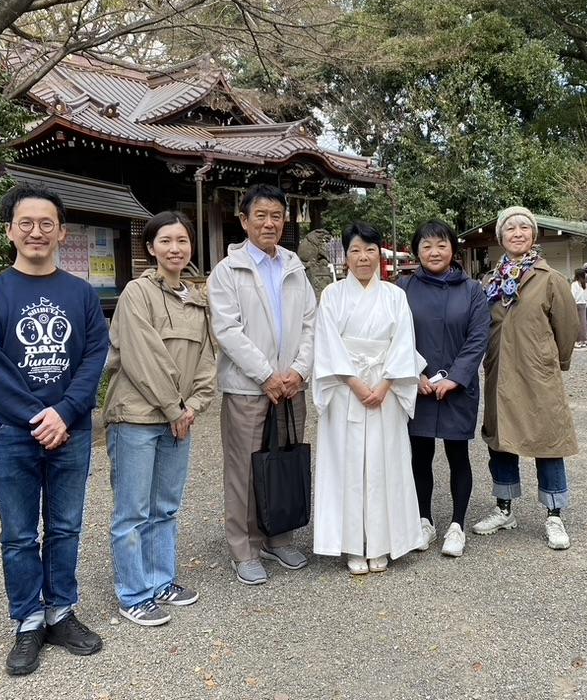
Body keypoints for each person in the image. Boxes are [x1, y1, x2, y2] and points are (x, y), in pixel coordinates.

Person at [0, 186, 108, 676]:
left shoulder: (81, 294)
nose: (36, 232)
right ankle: (28, 620)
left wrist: (64, 412)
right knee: (19, 534)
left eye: (46, 223)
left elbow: (94, 358)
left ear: (61, 232)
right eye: (25, 223)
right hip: (11, 432)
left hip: (70, 428)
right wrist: (39, 416)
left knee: (66, 526)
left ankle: (61, 611)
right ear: (9, 230)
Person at [102, 211, 216, 627]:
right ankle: (134, 593)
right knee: (132, 510)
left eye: (182, 241)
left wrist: (194, 406)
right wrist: (175, 408)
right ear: (150, 248)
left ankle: (161, 580)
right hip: (136, 416)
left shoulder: (197, 298)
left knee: (165, 506)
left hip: (178, 417)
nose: (175, 248)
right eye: (165, 241)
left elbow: (207, 358)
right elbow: (142, 356)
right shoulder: (137, 293)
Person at [207, 184, 317, 586]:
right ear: (244, 220)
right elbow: (228, 330)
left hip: (291, 387)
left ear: (284, 221)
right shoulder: (228, 270)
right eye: (261, 216)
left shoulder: (294, 267)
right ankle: (245, 547)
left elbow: (311, 324)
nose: (269, 223)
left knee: (284, 462)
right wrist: (265, 375)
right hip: (248, 388)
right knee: (244, 469)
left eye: (276, 216)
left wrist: (299, 371)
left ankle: (279, 535)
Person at [313, 222, 425, 574]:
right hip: (347, 390)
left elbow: (404, 342)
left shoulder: (395, 295)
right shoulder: (332, 295)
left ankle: (382, 542)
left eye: (370, 250)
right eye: (356, 251)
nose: (363, 257)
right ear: (345, 256)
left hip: (385, 389)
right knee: (346, 466)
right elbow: (327, 343)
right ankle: (351, 545)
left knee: (383, 464)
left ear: (380, 254)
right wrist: (356, 384)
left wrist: (386, 384)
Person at [471, 206, 579, 551]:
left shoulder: (550, 279)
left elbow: (567, 330)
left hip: (538, 374)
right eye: (510, 229)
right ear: (501, 238)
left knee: (548, 441)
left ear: (533, 235)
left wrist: (553, 363)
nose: (517, 233)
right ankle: (504, 509)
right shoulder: (490, 282)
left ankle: (554, 514)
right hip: (500, 372)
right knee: (501, 440)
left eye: (523, 227)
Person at [397, 220, 489, 558]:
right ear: (416, 251)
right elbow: (396, 336)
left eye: (441, 245)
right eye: (426, 246)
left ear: (453, 248)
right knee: (419, 456)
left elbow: (478, 337)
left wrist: (455, 377)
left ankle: (457, 525)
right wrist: (414, 372)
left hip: (457, 388)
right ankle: (424, 520)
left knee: (457, 455)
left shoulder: (472, 290)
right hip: (418, 387)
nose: (434, 252)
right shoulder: (403, 288)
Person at [571, 268, 587, 348]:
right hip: (583, 304)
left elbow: (572, 295)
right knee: (583, 322)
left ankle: (577, 340)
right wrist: (586, 303)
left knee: (576, 323)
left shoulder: (574, 284)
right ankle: (583, 341)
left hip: (576, 304)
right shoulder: (586, 285)